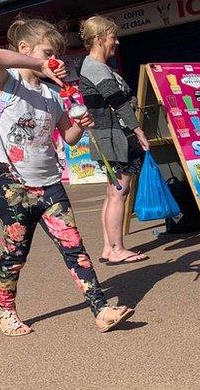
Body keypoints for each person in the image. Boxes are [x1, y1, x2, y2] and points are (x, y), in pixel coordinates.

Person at [0, 18, 134, 336]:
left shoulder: (53, 95)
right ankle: (5, 311)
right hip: (12, 183)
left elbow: (68, 136)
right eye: (47, 52)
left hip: (50, 182)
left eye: (55, 55)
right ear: (25, 50)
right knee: (15, 252)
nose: (55, 61)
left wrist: (83, 122)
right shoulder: (5, 83)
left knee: (74, 247)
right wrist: (42, 62)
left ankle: (101, 310)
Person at [77, 16, 151, 265]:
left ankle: (109, 247)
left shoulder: (94, 66)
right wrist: (138, 130)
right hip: (114, 136)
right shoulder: (96, 67)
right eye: (112, 37)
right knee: (120, 191)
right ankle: (117, 248)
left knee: (112, 192)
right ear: (98, 39)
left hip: (107, 136)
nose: (116, 42)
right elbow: (117, 102)